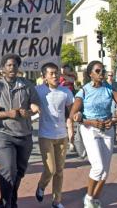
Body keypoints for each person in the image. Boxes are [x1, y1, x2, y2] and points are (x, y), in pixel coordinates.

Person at [0, 53, 40, 208]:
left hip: (25, 135)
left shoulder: (26, 84)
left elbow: (35, 105)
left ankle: (11, 198)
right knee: (8, 170)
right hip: (4, 134)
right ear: (3, 68)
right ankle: (5, 203)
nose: (12, 68)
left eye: (15, 65)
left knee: (20, 172)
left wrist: (30, 112)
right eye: (9, 65)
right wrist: (7, 113)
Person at [69, 60, 117, 208]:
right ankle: (88, 197)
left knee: (105, 171)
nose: (102, 74)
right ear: (90, 74)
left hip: (107, 130)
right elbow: (73, 114)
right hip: (89, 130)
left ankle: (95, 198)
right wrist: (87, 120)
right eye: (98, 71)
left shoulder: (109, 88)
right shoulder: (84, 91)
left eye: (103, 70)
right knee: (98, 167)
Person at [34, 63, 74, 208]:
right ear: (44, 77)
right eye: (51, 73)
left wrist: (73, 123)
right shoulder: (38, 90)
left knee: (59, 170)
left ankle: (56, 201)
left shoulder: (66, 92)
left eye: (56, 73)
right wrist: (33, 106)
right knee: (50, 169)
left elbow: (72, 110)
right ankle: (41, 186)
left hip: (62, 135)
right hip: (45, 135)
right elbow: (29, 102)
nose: (55, 75)